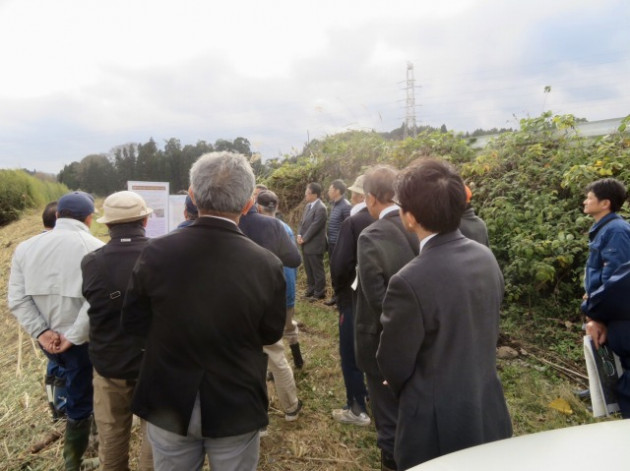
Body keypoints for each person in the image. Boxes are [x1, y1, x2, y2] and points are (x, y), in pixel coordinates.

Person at [121, 152, 286, 471]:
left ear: (193, 196)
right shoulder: (266, 264)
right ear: (249, 204)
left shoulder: (156, 252)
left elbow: (134, 323)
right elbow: (270, 333)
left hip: (168, 395)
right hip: (236, 398)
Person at [377, 158, 512, 469]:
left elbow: (394, 360)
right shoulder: (485, 256)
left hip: (435, 424)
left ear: (410, 218)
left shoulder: (409, 280)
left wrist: (393, 380)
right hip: (485, 405)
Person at [8, 192, 105, 471]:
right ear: (89, 218)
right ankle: (76, 459)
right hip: (82, 341)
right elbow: (95, 301)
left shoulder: (25, 248)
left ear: (59, 215)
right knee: (83, 395)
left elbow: (17, 299)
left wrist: (42, 333)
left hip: (49, 340)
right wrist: (72, 337)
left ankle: (65, 421)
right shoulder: (96, 249)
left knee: (66, 378)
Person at [81, 191, 154, 470]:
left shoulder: (91, 262)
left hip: (109, 362)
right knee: (155, 438)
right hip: (154, 362)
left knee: (111, 437)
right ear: (144, 221)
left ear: (108, 224)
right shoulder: (161, 254)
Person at [356, 165, 418, 471]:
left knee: (388, 417)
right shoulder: (420, 226)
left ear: (370, 198)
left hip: (382, 342)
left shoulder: (371, 235)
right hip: (421, 336)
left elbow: (376, 298)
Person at [238, 189, 303, 424]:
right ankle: (291, 408)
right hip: (267, 297)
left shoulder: (233, 224)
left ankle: (258, 414)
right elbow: (294, 259)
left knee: (247, 357)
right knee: (275, 352)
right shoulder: (273, 226)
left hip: (239, 301)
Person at [581, 178, 630, 417]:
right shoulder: (605, 229)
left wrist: (593, 309)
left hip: (615, 313)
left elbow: (617, 282)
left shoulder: (616, 232)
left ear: (605, 203)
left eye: (589, 197)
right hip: (605, 309)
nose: (585, 201)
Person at [330, 174, 372, 426]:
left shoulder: (353, 222)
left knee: (351, 352)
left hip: (354, 298)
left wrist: (340, 293)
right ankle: (376, 397)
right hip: (384, 299)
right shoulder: (396, 219)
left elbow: (339, 265)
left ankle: (357, 407)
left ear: (361, 196)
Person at [255, 189, 305, 370]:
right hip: (288, 288)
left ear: (258, 208)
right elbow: (294, 262)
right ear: (276, 207)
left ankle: (274, 369)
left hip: (272, 292)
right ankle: (298, 358)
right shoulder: (286, 228)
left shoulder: (261, 230)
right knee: (289, 325)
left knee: (270, 335)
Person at [41, 200, 69, 421]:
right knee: (64, 367)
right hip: (60, 320)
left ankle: (55, 407)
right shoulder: (59, 248)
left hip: (43, 322)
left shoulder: (32, 247)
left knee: (54, 365)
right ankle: (63, 408)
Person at [297, 182, 328, 300]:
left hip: (315, 244)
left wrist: (304, 238)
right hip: (305, 243)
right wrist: (299, 234)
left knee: (317, 269)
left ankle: (319, 292)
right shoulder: (308, 206)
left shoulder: (321, 208)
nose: (306, 194)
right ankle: (311, 289)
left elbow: (315, 226)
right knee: (308, 269)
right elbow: (302, 222)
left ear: (315, 194)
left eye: (308, 192)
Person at [325, 179, 352, 305]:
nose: (328, 191)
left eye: (330, 189)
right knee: (334, 270)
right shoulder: (334, 204)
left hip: (340, 245)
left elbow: (348, 226)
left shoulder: (346, 206)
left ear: (337, 191)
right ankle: (336, 296)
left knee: (340, 271)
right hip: (332, 243)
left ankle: (342, 297)